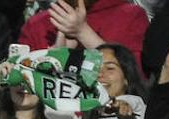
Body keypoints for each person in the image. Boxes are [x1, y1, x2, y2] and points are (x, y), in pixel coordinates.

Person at [19, 0, 149, 70]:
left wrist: (82, 33)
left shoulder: (130, 16)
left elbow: (134, 80)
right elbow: (19, 83)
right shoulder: (37, 24)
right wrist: (52, 61)